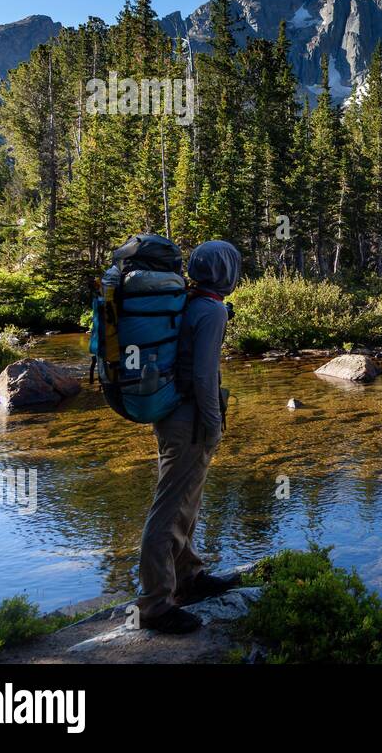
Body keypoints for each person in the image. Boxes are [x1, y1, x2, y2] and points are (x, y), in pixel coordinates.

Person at [134, 240, 242, 634]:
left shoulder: (189, 299)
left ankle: (189, 577)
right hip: (189, 420)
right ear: (224, 270)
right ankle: (156, 605)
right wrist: (213, 424)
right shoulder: (211, 309)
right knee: (169, 508)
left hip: (172, 413)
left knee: (186, 502)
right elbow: (203, 375)